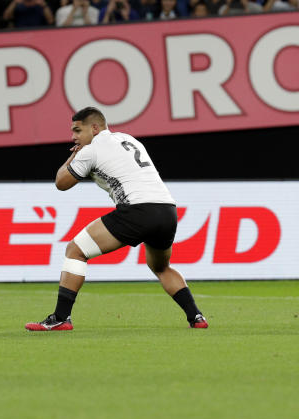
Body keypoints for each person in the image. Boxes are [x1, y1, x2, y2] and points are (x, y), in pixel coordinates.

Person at [25, 107, 208, 331]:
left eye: (77, 130)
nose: (73, 136)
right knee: (161, 267)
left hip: (137, 210)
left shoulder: (90, 150)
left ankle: (61, 318)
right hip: (167, 210)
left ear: (94, 128)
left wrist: (74, 155)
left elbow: (61, 182)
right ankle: (196, 317)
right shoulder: (128, 139)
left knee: (75, 251)